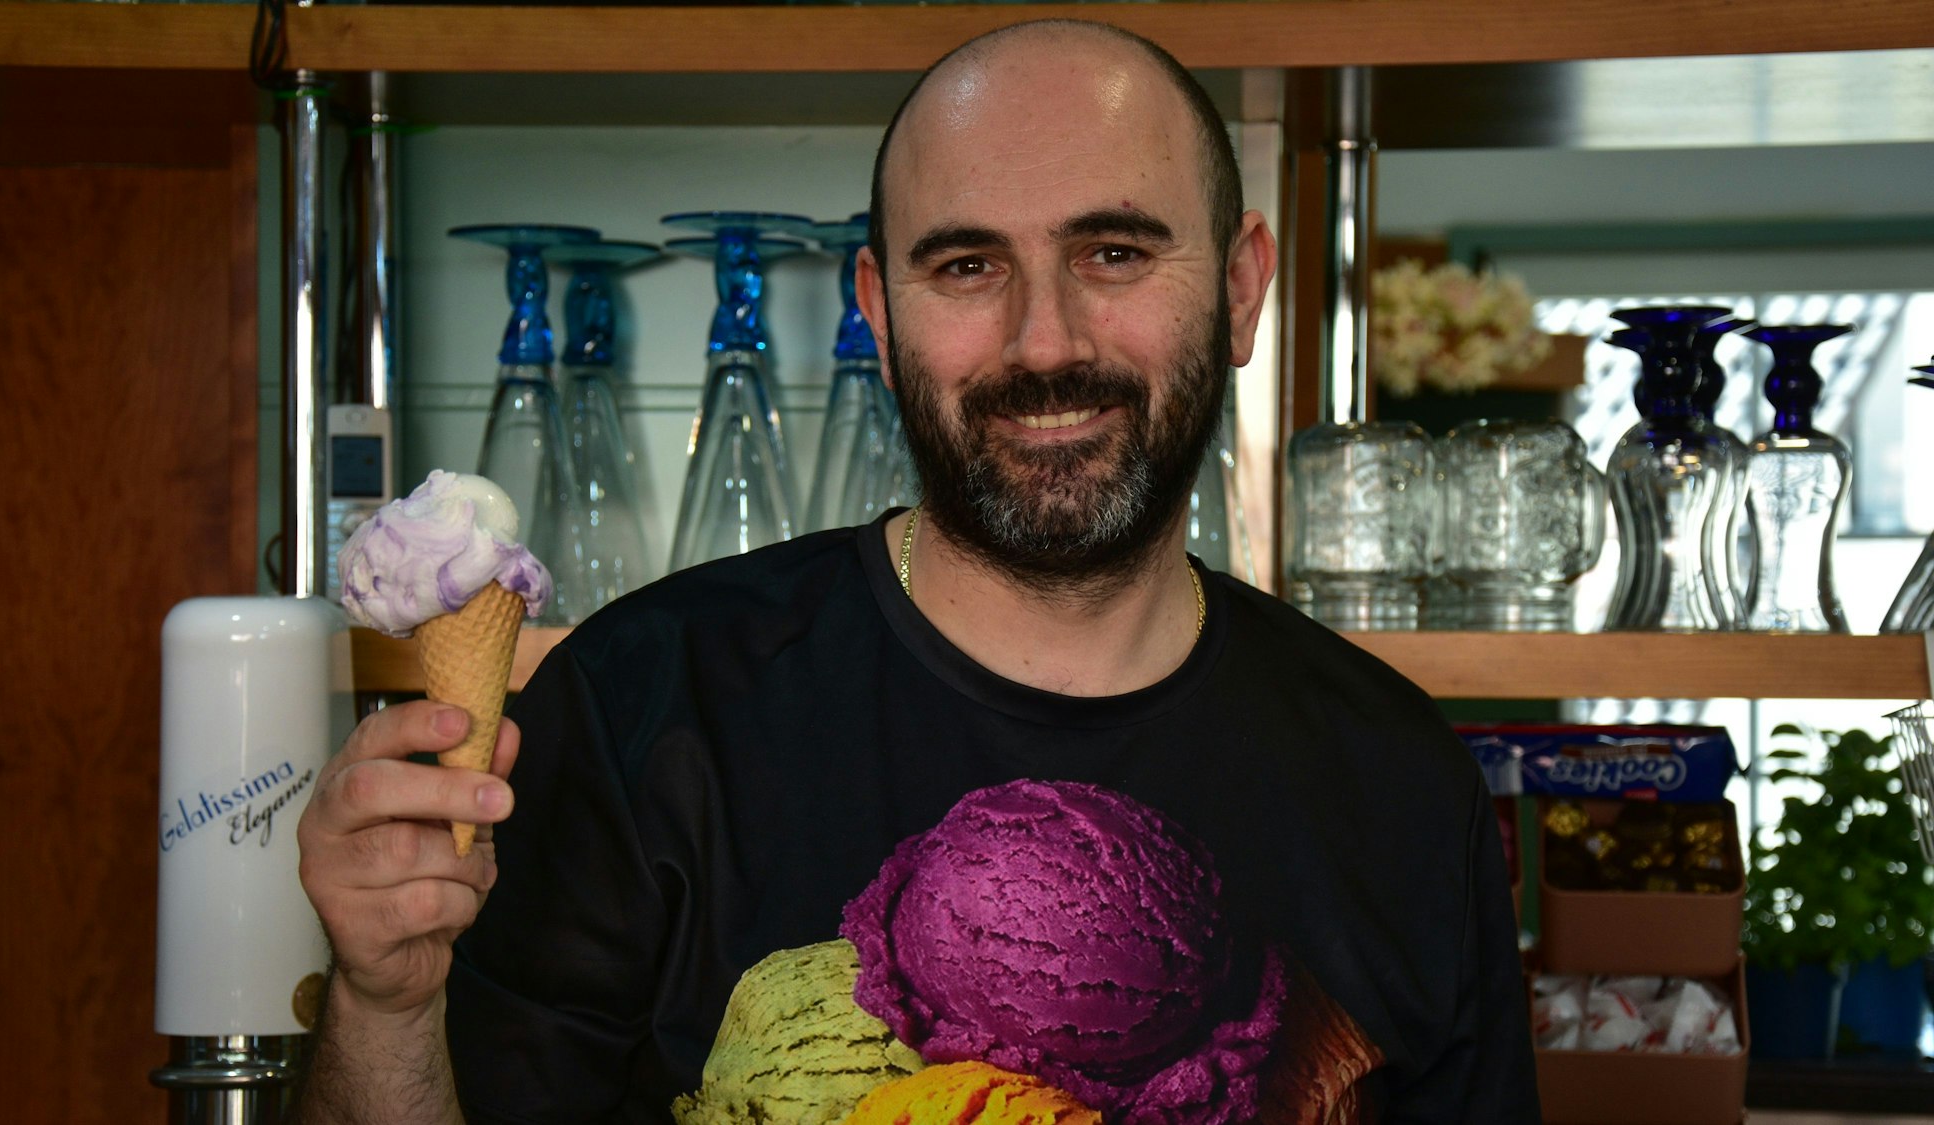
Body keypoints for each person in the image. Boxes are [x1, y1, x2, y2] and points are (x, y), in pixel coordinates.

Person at [295, 19, 1539, 1124]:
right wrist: (384, 1007)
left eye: (1112, 253)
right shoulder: (643, 712)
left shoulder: (1396, 784)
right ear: (880, 313)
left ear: (1240, 286)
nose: (1042, 339)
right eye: (965, 267)